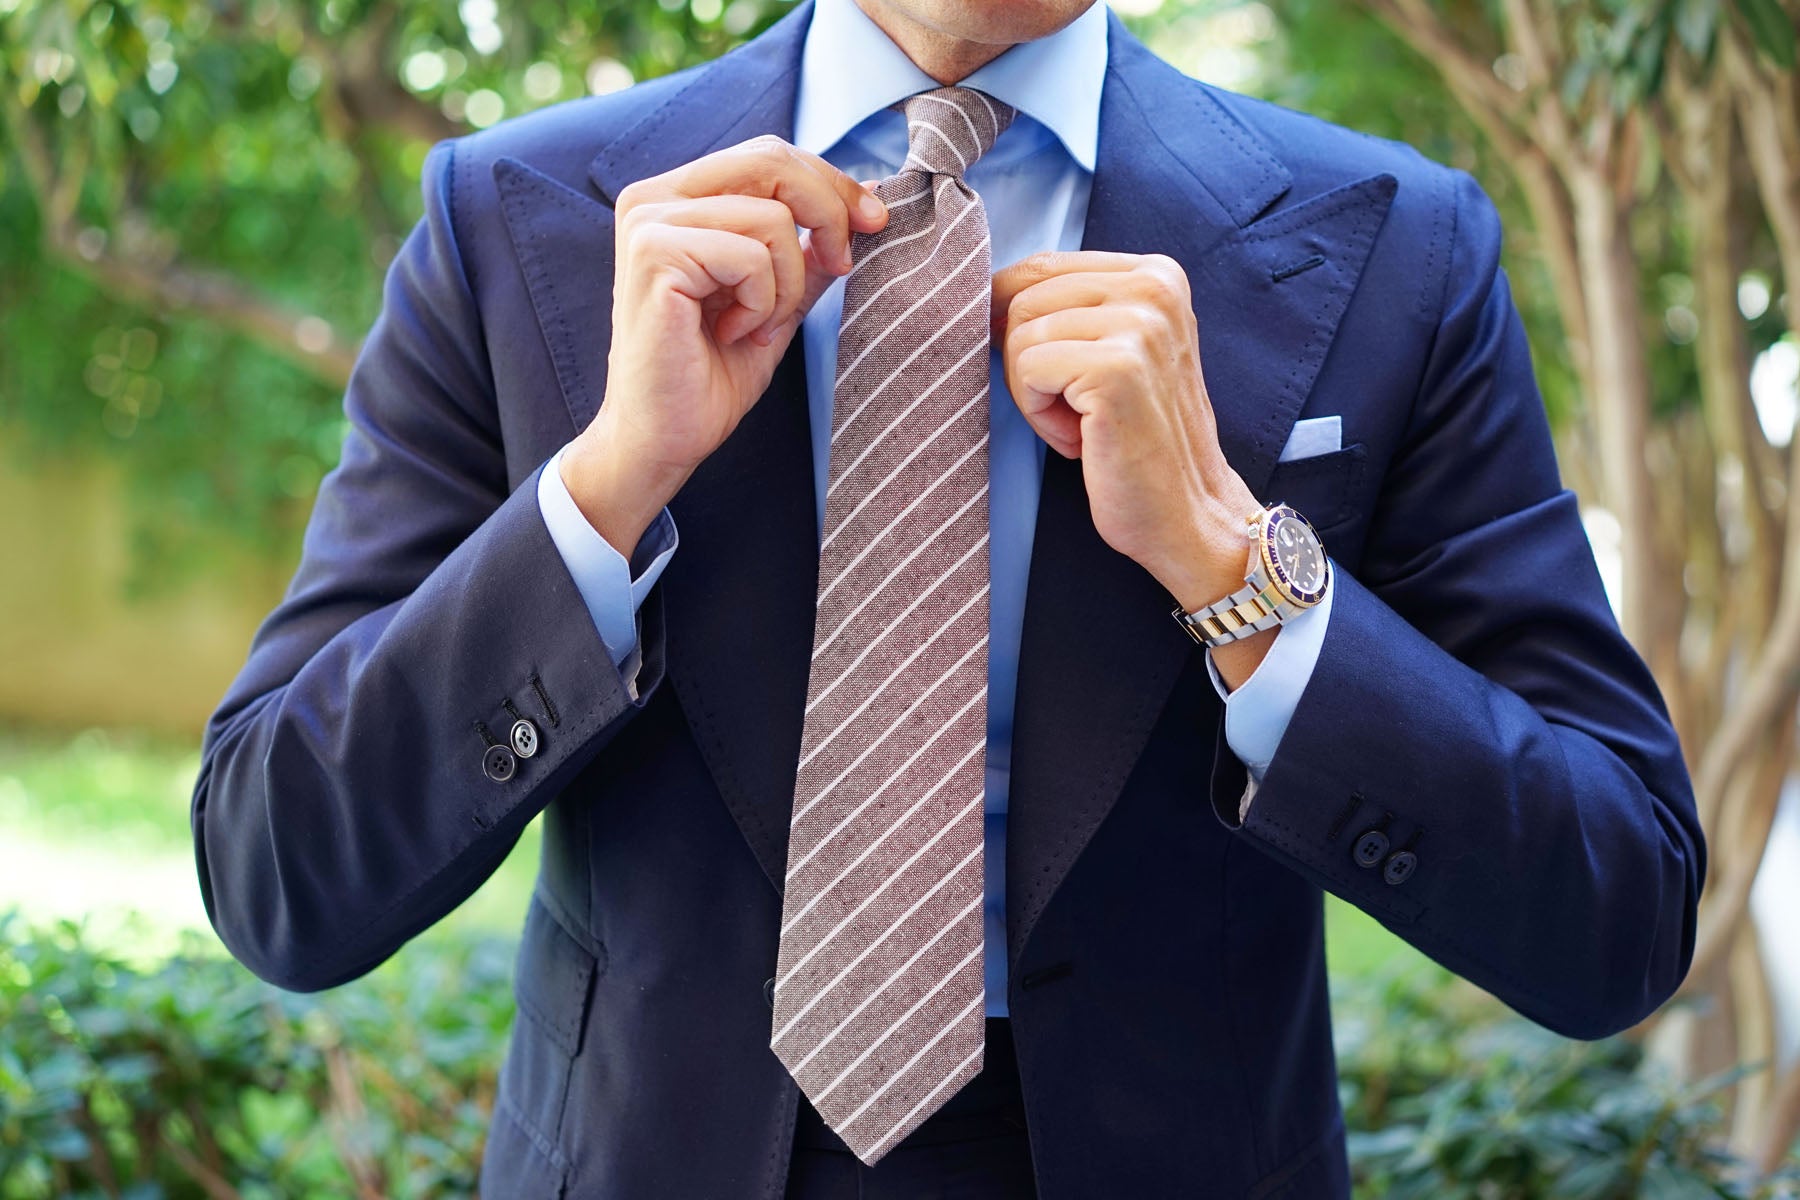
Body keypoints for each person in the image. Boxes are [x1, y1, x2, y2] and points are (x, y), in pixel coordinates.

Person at [190, 0, 1705, 1195]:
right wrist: (599, 494)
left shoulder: (1399, 249)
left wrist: (1239, 573)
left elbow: (1614, 911)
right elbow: (280, 875)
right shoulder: (513, 220)